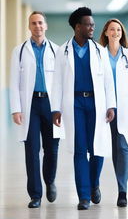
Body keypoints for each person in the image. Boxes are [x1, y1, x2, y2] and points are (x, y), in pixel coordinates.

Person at [51, 7, 116, 210]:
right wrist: (56, 109)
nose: (92, 28)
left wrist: (111, 104)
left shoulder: (99, 50)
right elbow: (58, 82)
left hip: (96, 104)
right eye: (88, 24)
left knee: (97, 149)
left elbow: (108, 80)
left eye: (93, 24)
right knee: (80, 150)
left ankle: (94, 183)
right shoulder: (63, 51)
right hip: (75, 104)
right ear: (77, 27)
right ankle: (84, 197)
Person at [9, 11, 60, 208]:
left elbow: (62, 82)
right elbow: (14, 82)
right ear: (29, 27)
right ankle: (35, 195)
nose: (37, 26)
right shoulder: (19, 51)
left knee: (52, 149)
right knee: (31, 150)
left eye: (40, 23)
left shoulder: (57, 50)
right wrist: (16, 109)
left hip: (50, 105)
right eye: (33, 23)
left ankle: (49, 180)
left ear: (45, 26)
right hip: (30, 104)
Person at [99, 19, 128, 207]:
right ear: (106, 33)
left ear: (122, 33)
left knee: (122, 148)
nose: (115, 32)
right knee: (101, 148)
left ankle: (122, 191)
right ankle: (94, 187)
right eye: (112, 29)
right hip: (104, 108)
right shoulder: (98, 55)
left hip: (124, 109)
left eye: (118, 30)